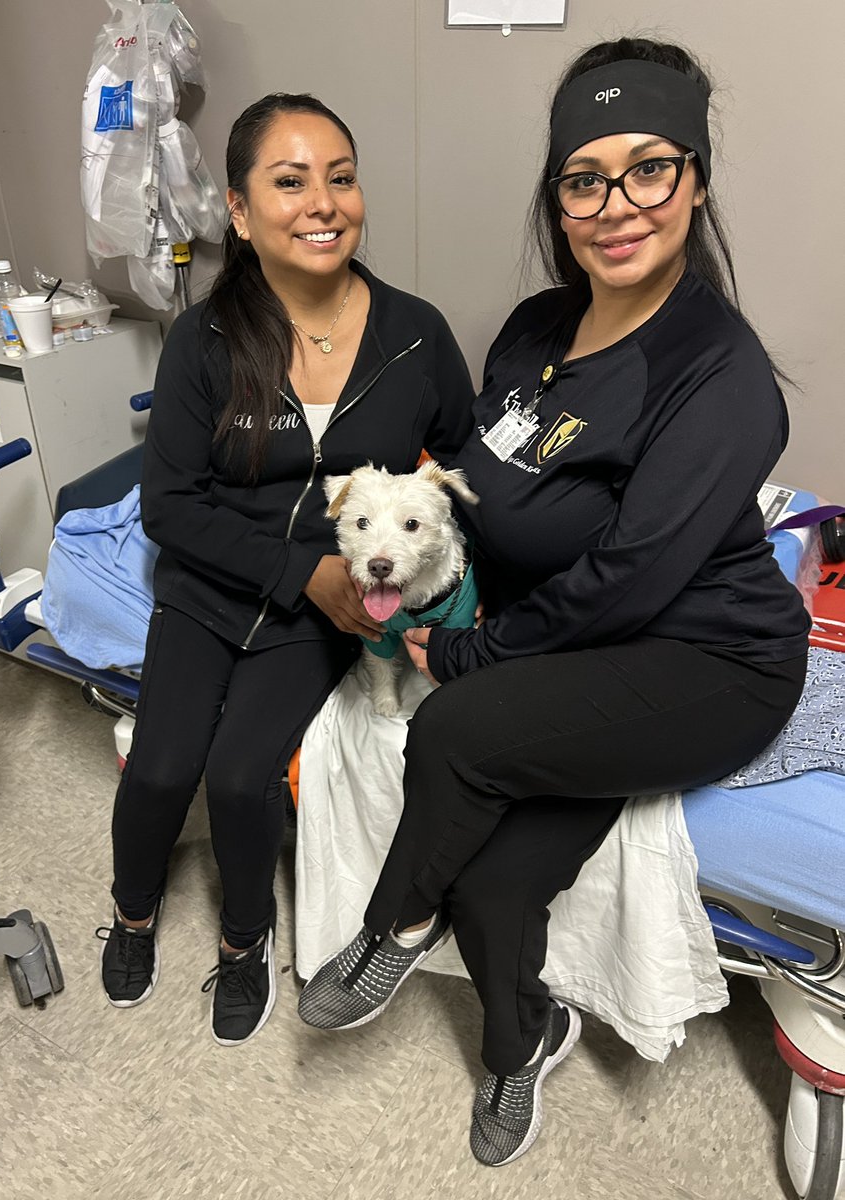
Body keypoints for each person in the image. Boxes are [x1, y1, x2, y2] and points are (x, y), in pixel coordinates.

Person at [297, 39, 810, 1164]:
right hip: (580, 645)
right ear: (558, 197)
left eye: (650, 169)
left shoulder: (718, 376)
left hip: (706, 662)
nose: (616, 205)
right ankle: (521, 1043)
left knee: (457, 732)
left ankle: (391, 923)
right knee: (494, 879)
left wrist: (473, 657)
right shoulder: (534, 329)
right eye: (585, 178)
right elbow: (486, 493)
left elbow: (629, 579)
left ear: (697, 179)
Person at [97, 92, 475, 1046]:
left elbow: (464, 457)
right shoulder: (206, 340)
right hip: (211, 588)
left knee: (238, 777)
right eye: (290, 180)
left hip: (325, 612)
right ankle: (133, 912)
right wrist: (295, 570)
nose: (323, 202)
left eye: (340, 178)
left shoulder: (416, 334)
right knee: (158, 770)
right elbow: (171, 504)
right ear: (238, 210)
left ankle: (242, 941)